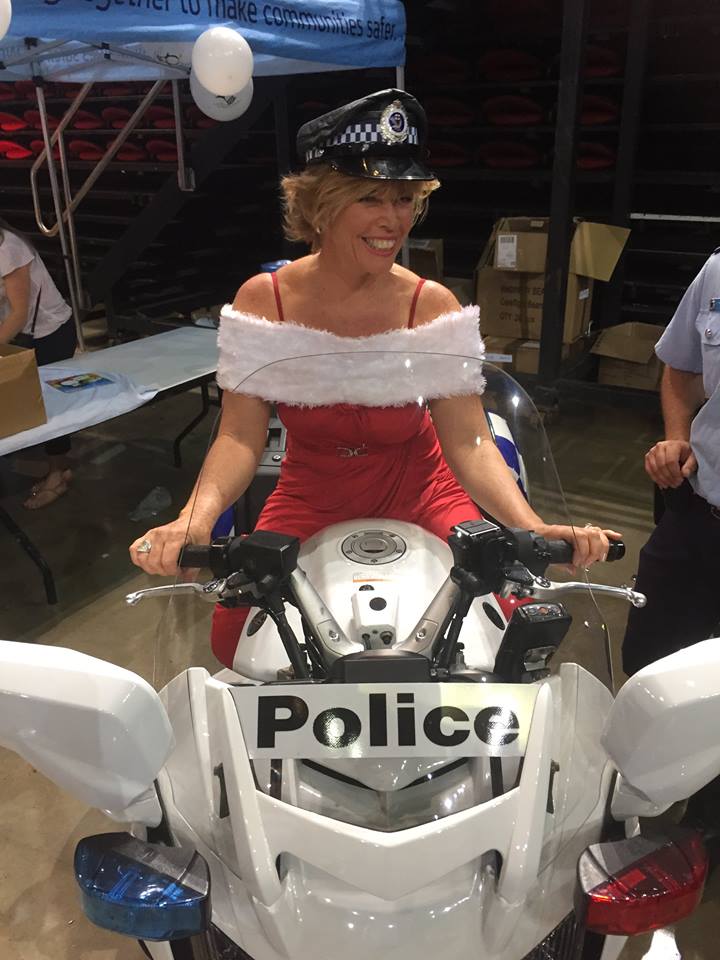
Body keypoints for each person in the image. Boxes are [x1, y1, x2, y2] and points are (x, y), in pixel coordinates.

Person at [130, 89, 619, 667]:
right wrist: (193, 520)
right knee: (237, 641)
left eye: (405, 198)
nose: (394, 220)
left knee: (499, 621)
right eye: (369, 197)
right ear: (321, 204)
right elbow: (238, 435)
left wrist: (533, 529)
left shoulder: (430, 304)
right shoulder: (265, 301)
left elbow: (469, 439)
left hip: (425, 493)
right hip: (310, 495)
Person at [622, 249, 720, 676]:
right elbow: (681, 368)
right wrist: (678, 436)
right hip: (700, 516)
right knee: (649, 672)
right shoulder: (717, 272)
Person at [0, 217, 76, 507]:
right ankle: (54, 464)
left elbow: (19, 313)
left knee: (47, 406)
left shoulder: (8, 247)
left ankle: (58, 474)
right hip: (23, 334)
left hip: (50, 332)